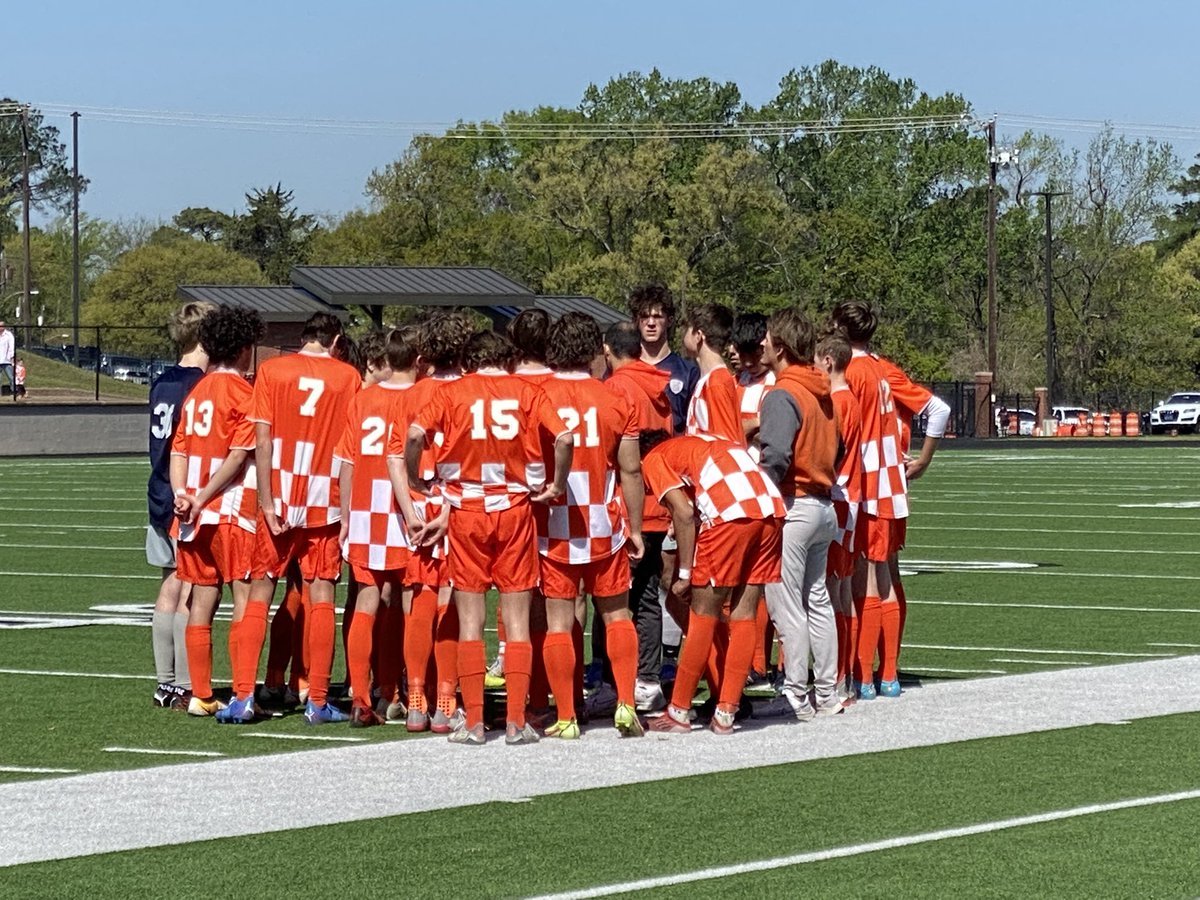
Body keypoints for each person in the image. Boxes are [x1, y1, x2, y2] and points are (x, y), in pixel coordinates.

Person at [406, 330, 573, 746]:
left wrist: (415, 478)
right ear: (510, 360)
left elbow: (413, 436)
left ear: (467, 363)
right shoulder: (528, 391)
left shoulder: (453, 392)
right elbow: (566, 437)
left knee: (470, 621)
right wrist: (556, 483)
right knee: (516, 623)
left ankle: (476, 722)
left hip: (467, 511)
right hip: (515, 510)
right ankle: (517, 722)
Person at [225, 312, 361, 725]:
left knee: (258, 595)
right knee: (322, 597)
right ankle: (316, 700)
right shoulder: (348, 378)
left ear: (303, 338)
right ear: (335, 341)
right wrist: (350, 514)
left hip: (279, 499)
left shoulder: (271, 370)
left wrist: (266, 502)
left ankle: (244, 694)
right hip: (326, 501)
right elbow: (350, 453)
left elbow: (261, 441)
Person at [535, 312, 646, 739]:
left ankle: (566, 715)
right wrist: (635, 529)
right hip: (605, 523)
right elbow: (631, 471)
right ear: (592, 351)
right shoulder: (616, 398)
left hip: (553, 525)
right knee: (617, 616)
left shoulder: (538, 395)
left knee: (560, 622)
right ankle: (625, 703)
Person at [641, 431, 784, 735]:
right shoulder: (702, 443)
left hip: (730, 514)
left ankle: (678, 710)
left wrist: (684, 574)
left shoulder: (653, 458)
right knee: (744, 613)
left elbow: (683, 511)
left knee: (702, 613)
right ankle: (727, 711)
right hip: (770, 509)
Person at [169, 305, 265, 717]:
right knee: (244, 596)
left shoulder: (197, 393)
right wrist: (205, 494)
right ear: (244, 348)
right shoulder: (245, 393)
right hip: (230, 510)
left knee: (202, 599)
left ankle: (202, 694)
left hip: (192, 514)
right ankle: (244, 694)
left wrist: (183, 494)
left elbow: (179, 450)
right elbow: (238, 457)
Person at [386, 311, 473, 734]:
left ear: (425, 354)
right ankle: (446, 699)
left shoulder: (410, 395)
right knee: (453, 600)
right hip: (458, 506)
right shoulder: (471, 394)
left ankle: (417, 698)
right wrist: (447, 509)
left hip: (419, 509)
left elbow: (393, 458)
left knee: (421, 598)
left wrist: (408, 508)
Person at [755, 309, 843, 720]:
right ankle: (827, 692)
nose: (762, 345)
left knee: (787, 605)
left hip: (795, 503)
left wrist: (757, 494)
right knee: (817, 600)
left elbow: (776, 455)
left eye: (769, 339)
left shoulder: (782, 392)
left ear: (782, 346)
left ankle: (795, 694)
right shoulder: (821, 389)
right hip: (823, 504)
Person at [335, 327, 423, 728]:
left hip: (367, 508)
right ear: (418, 359)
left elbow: (348, 463)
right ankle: (399, 691)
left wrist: (346, 516)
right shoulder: (423, 397)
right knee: (408, 601)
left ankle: (360, 696)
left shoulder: (364, 398)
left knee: (369, 600)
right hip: (408, 508)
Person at [829, 300, 908, 700]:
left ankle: (864, 676)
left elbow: (850, 431)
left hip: (866, 481)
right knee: (885, 575)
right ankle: (888, 675)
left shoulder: (856, 371)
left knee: (863, 579)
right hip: (890, 478)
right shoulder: (879, 367)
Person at [595, 321, 673, 715]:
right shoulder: (658, 385)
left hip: (632, 504)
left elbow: (618, 456)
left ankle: (619, 681)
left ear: (608, 351)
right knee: (646, 598)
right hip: (659, 497)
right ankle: (647, 678)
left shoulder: (617, 388)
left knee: (615, 602)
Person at [146, 301, 216, 708]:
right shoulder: (200, 385)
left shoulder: (161, 380)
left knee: (169, 586)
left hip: (158, 491)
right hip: (187, 495)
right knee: (190, 589)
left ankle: (166, 682)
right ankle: (186, 684)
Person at [816, 329, 864, 704]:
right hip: (849, 498)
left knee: (832, 590)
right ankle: (841, 677)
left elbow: (834, 452)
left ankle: (838, 678)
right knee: (840, 588)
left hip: (839, 498)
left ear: (828, 362)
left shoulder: (838, 399)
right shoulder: (850, 398)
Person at [682, 303, 744, 446]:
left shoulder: (716, 382)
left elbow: (725, 444)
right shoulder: (709, 379)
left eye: (688, 329)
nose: (684, 334)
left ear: (698, 336)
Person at [0, 320, 15, 401]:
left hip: (6, 360)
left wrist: (11, 357)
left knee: (11, 377)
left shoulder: (8, 335)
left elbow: (11, 346)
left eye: (1, 326)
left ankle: (14, 392)